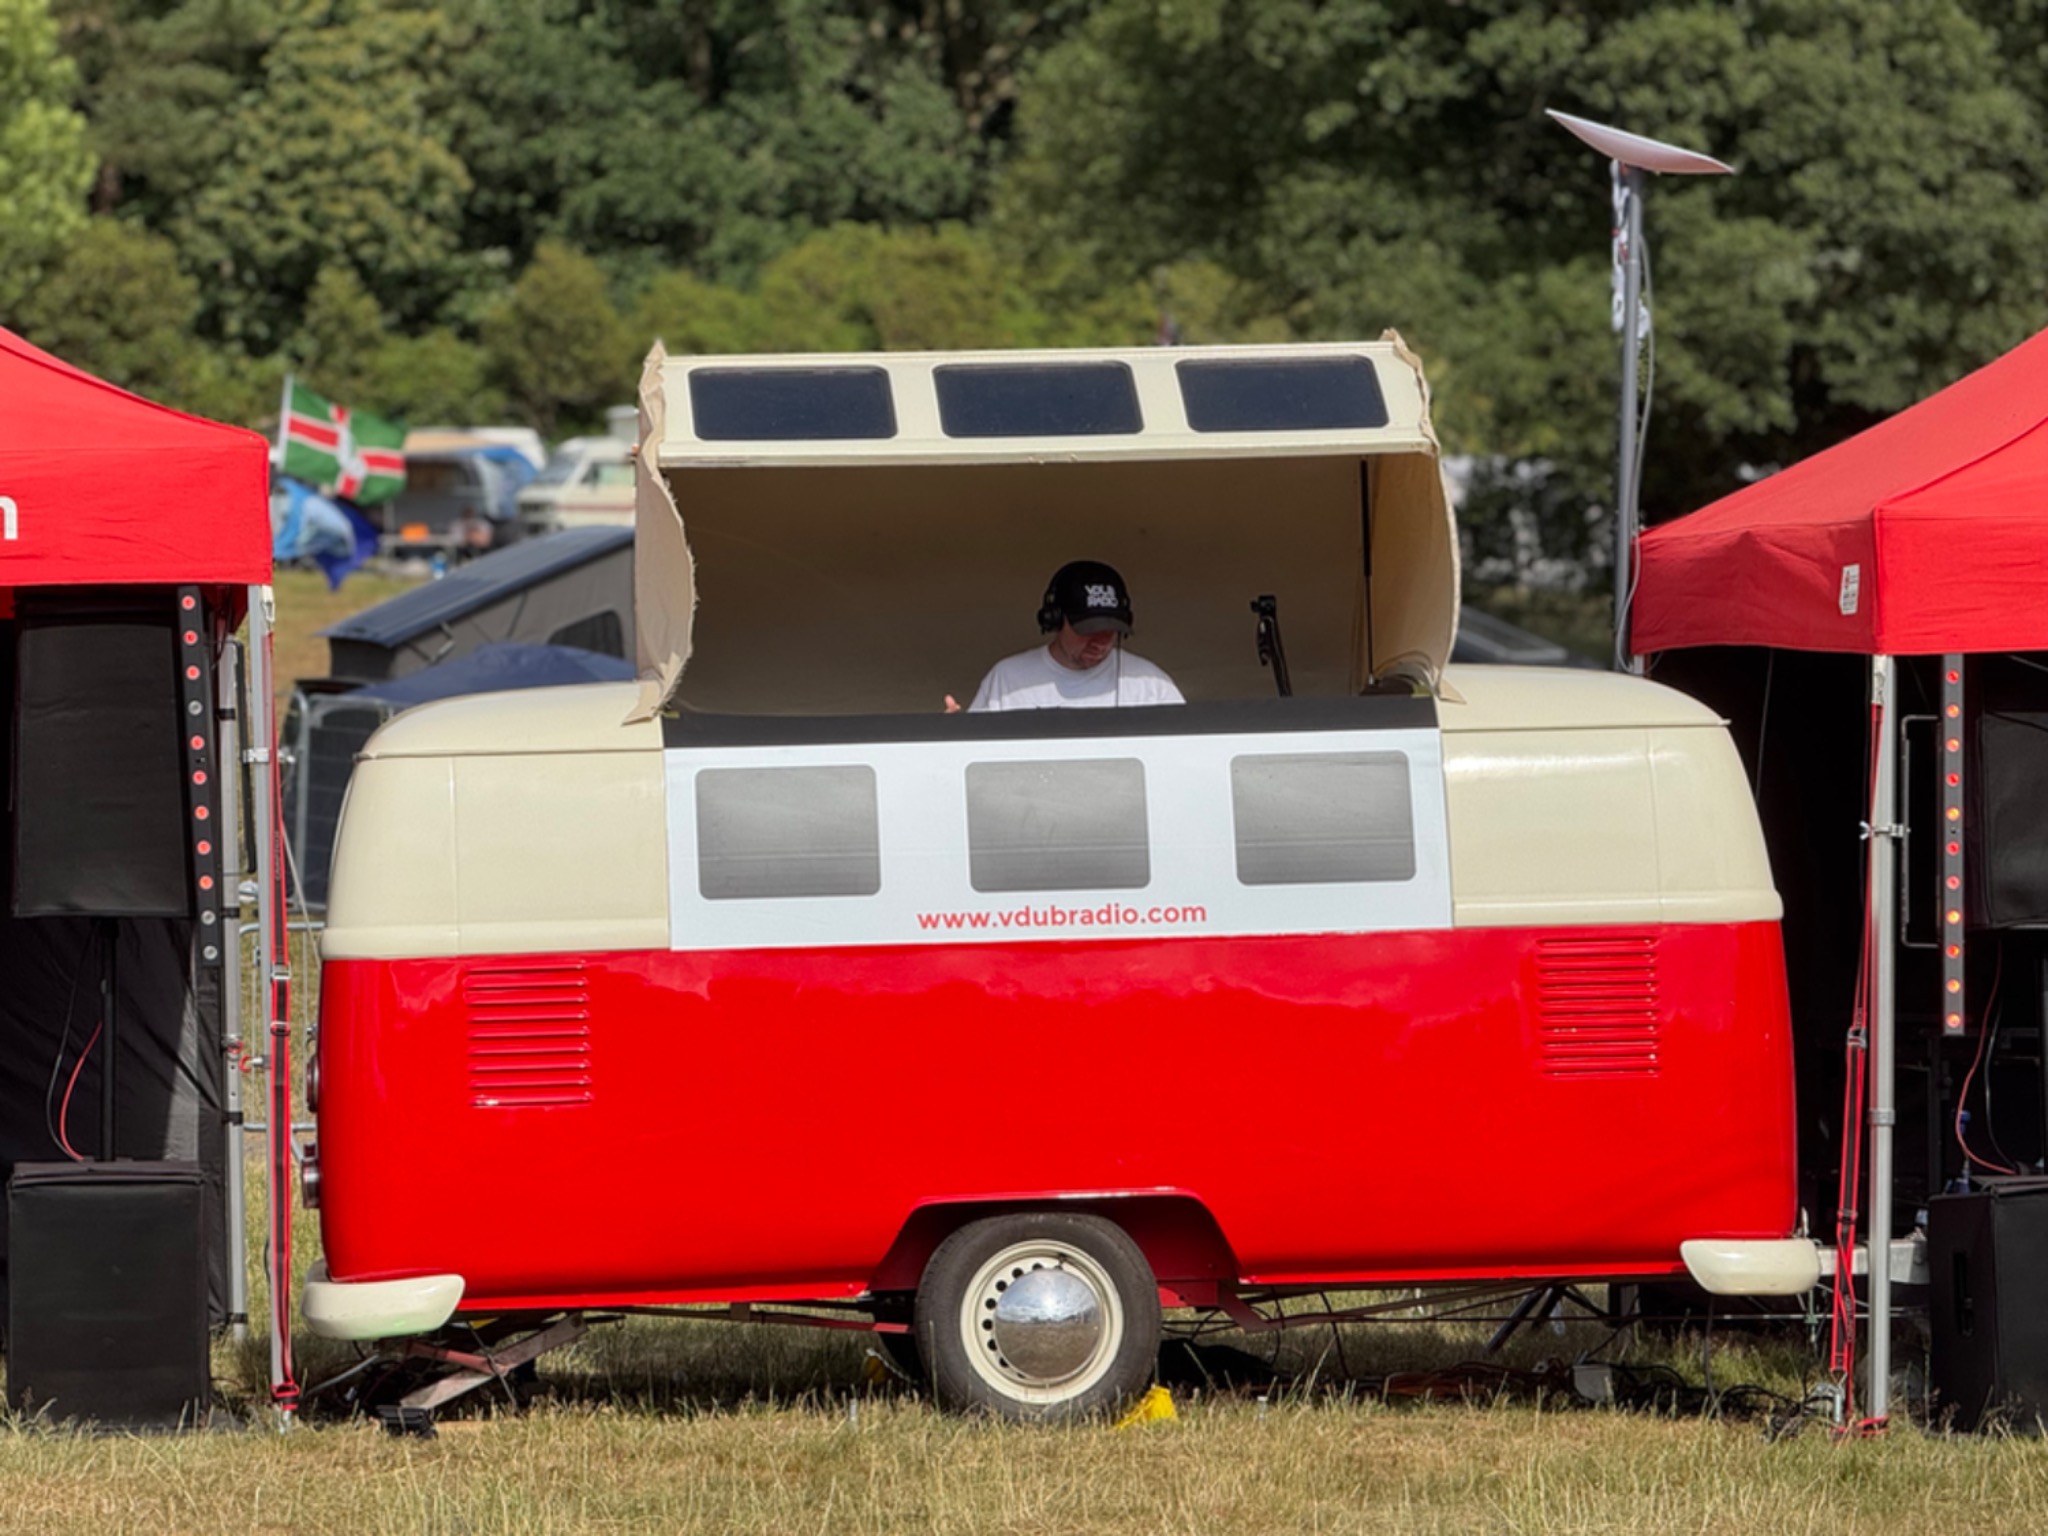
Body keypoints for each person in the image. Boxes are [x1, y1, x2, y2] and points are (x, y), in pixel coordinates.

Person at [948, 560, 1184, 712]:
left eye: (1111, 631)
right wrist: (953, 737)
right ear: (1055, 620)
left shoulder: (1152, 685)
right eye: (1088, 630)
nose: (1101, 643)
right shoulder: (1007, 679)